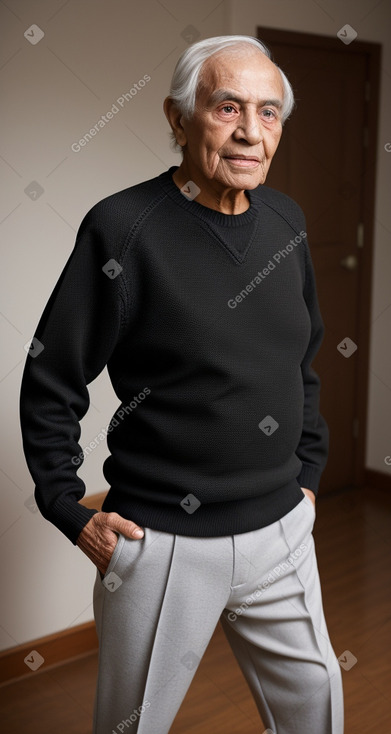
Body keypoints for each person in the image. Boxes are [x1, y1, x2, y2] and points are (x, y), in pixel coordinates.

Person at [20, 34, 344, 734]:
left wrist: (308, 478)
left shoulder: (286, 220)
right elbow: (51, 375)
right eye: (226, 107)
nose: (249, 132)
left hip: (281, 531)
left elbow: (302, 360)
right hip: (162, 541)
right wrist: (68, 506)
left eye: (267, 112)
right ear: (178, 118)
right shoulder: (123, 229)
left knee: (316, 714)